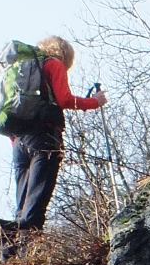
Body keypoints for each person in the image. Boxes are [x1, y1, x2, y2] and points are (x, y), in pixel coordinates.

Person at [8, 36, 106, 232]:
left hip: (19, 142)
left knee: (21, 207)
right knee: (37, 202)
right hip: (44, 137)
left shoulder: (25, 71)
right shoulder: (54, 64)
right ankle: (31, 255)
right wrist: (95, 101)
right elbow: (64, 99)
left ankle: (11, 256)